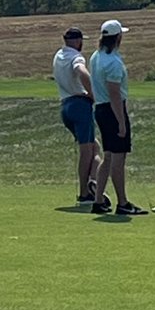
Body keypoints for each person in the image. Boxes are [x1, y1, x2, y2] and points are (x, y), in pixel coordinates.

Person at [90, 19, 147, 216]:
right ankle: (122, 203)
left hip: (101, 109)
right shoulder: (112, 62)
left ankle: (98, 200)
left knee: (108, 156)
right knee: (118, 159)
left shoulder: (96, 56)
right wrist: (121, 122)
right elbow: (114, 94)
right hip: (112, 110)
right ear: (118, 38)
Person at [52, 26, 105, 206]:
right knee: (87, 150)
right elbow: (81, 71)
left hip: (65, 106)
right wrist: (92, 94)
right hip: (79, 105)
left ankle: (92, 182)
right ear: (77, 41)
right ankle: (85, 192)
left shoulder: (58, 55)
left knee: (94, 147)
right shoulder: (76, 57)